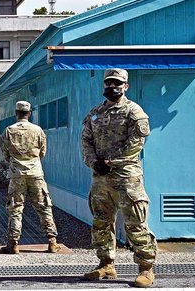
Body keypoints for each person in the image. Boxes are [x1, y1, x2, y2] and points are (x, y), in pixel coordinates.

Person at [81, 68, 157, 287]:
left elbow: (136, 143)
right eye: (108, 84)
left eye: (117, 83)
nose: (112, 87)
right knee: (101, 222)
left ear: (126, 86)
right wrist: (94, 162)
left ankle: (146, 268)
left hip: (126, 177)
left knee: (135, 222)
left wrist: (112, 162)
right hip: (100, 179)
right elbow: (86, 140)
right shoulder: (95, 113)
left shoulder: (134, 112)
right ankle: (106, 265)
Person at [0, 101, 61, 254]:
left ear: (16, 113)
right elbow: (42, 152)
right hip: (36, 173)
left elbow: (5, 153)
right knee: (44, 207)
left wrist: (15, 162)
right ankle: (52, 242)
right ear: (29, 113)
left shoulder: (9, 130)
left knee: (15, 208)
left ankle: (13, 243)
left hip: (17, 174)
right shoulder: (38, 130)